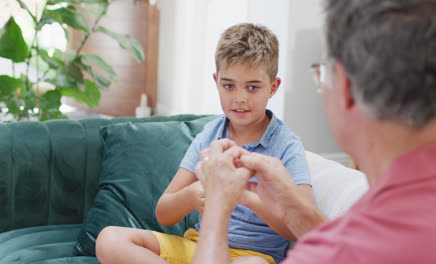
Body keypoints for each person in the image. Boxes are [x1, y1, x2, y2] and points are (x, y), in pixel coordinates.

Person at [192, 0, 436, 263]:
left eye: (322, 73)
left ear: (345, 88)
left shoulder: (334, 254)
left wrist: (217, 206)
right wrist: (295, 209)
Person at [95, 23, 313, 264]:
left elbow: (302, 229)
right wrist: (191, 195)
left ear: (273, 87)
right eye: (229, 85)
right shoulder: (209, 136)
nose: (240, 98)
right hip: (197, 247)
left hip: (252, 256)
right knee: (109, 239)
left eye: (253, 87)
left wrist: (245, 197)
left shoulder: (287, 145)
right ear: (216, 81)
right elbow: (163, 212)